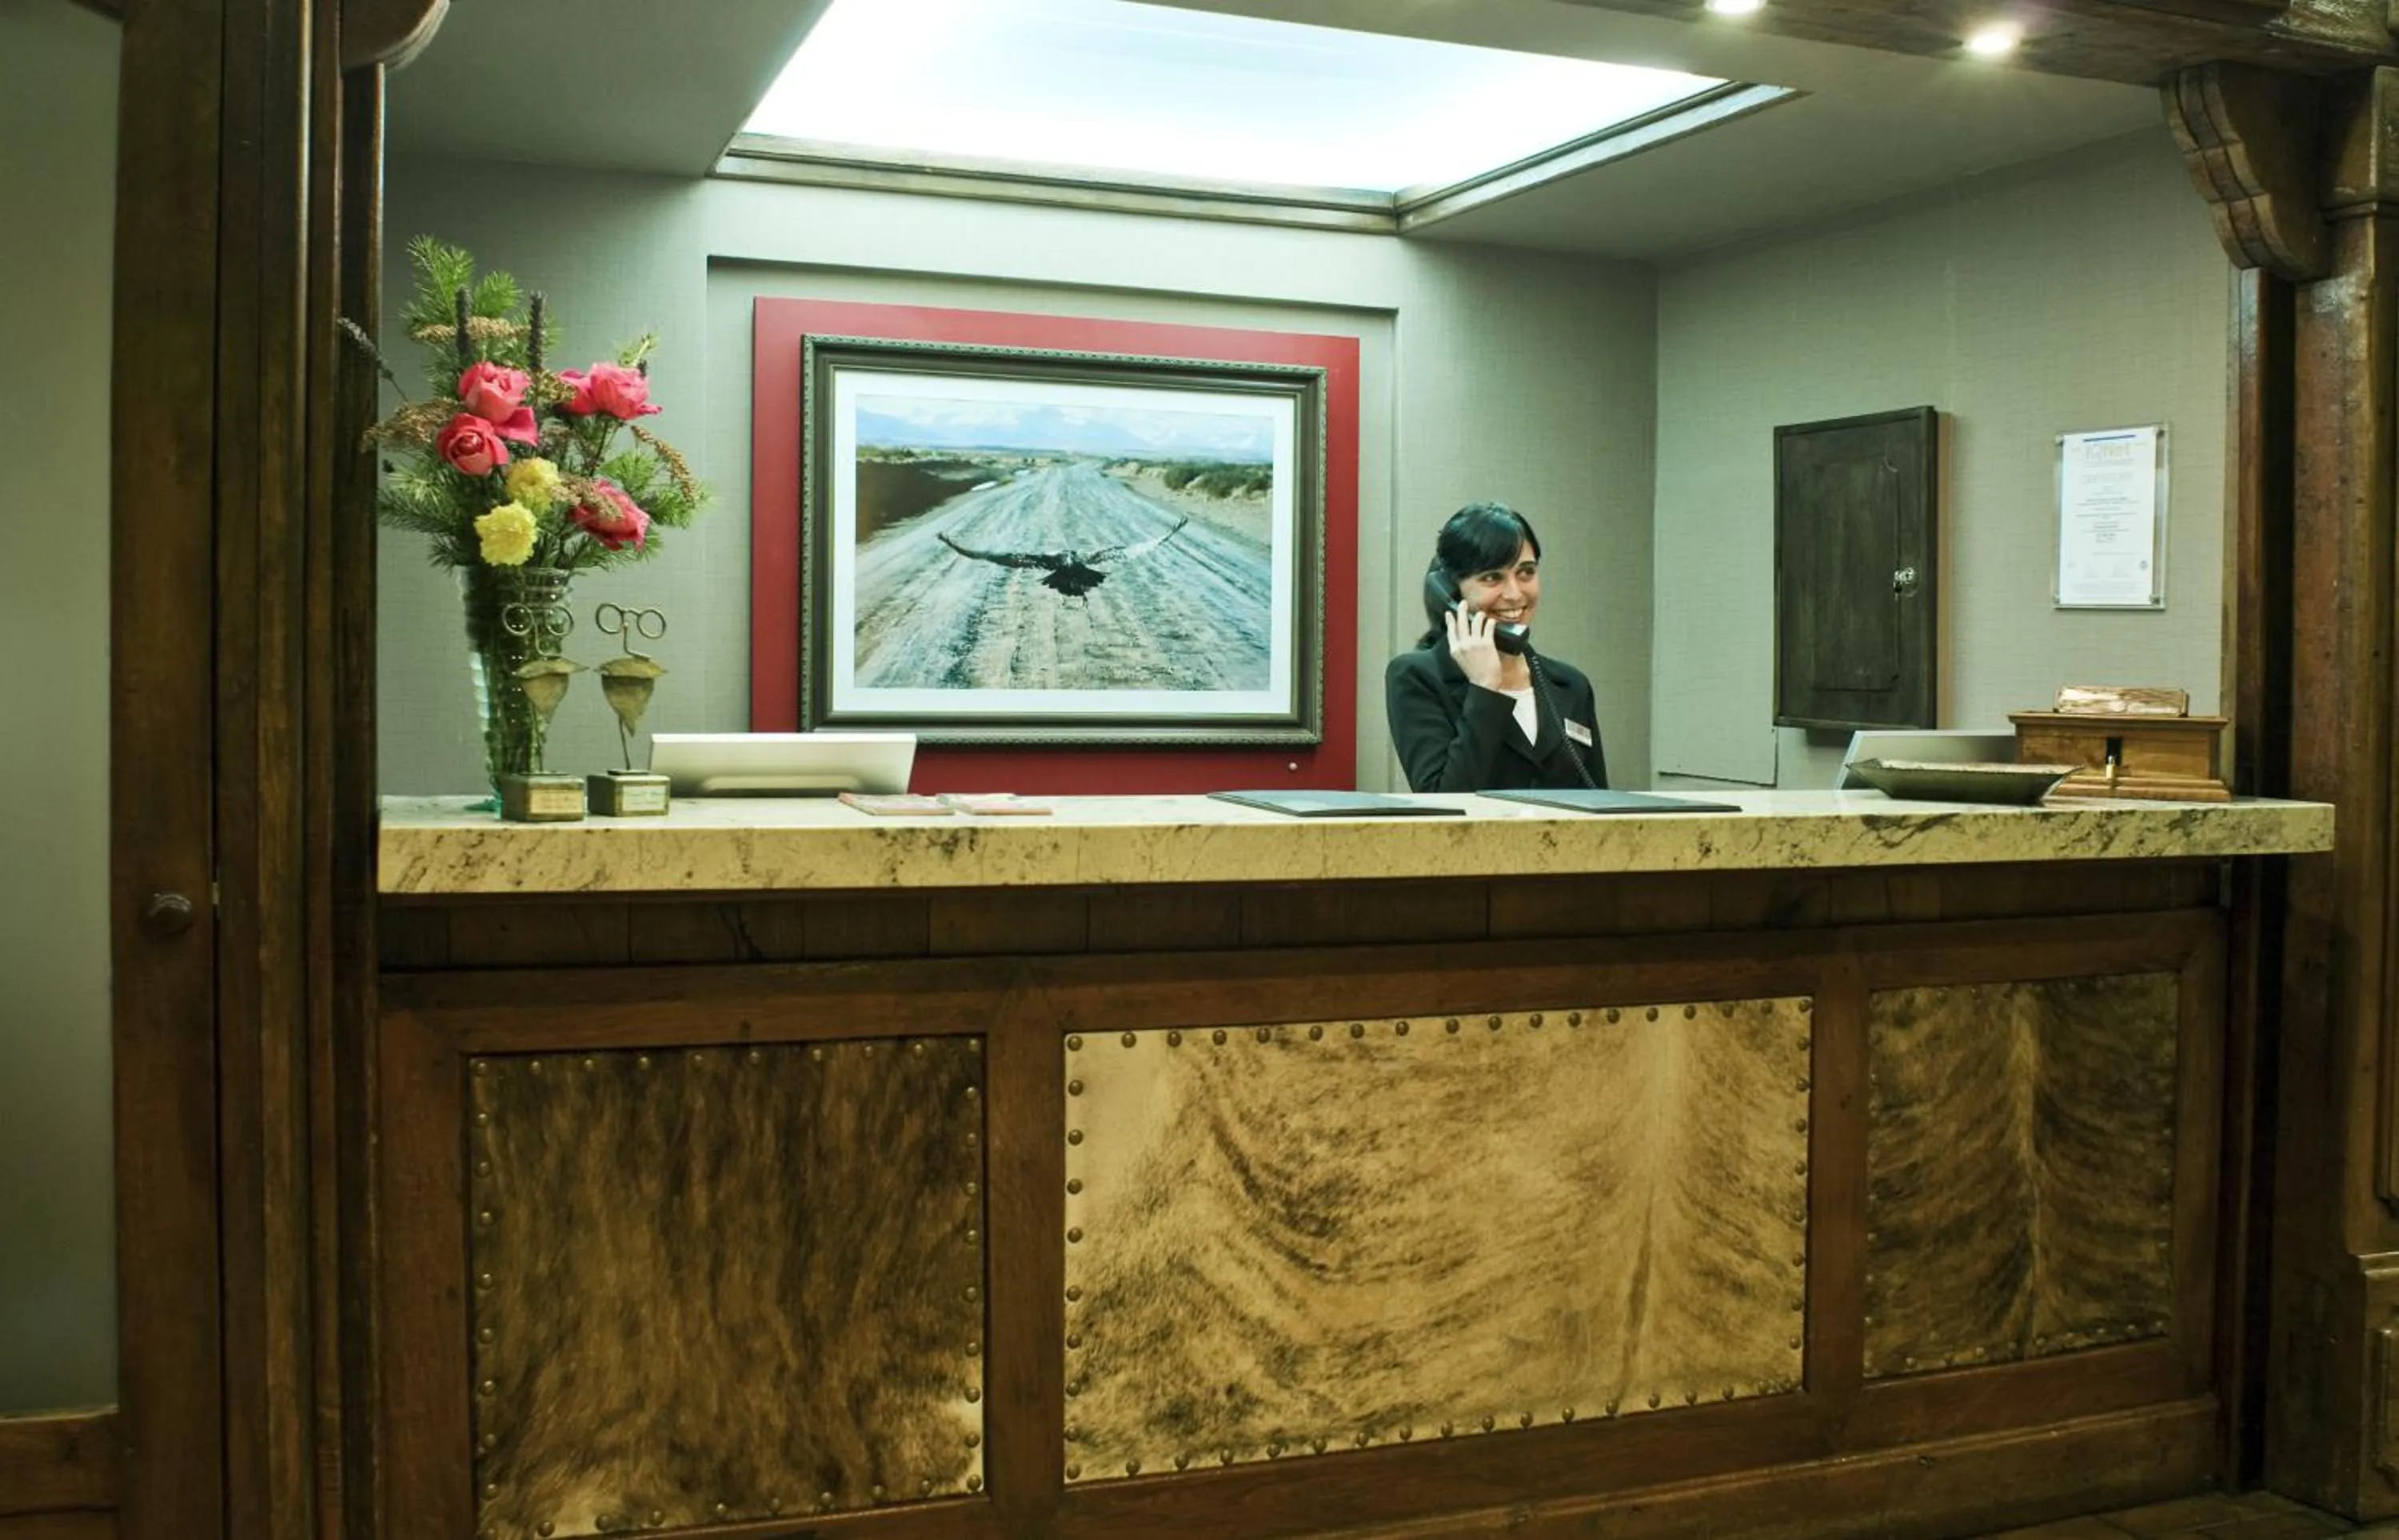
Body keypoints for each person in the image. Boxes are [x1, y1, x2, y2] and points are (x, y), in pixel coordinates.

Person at [1385, 502, 1607, 793]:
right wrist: (1485, 687)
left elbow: (1600, 805)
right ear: (1450, 592)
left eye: (1526, 572)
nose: (1515, 594)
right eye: (1492, 577)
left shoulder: (1570, 685)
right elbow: (1443, 801)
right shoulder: (1417, 676)